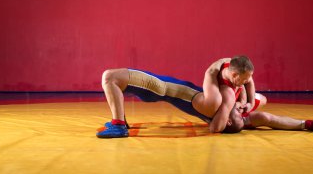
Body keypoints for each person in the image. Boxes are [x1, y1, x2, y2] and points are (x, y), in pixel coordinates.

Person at [97, 56, 255, 138]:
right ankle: (120, 121)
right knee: (114, 79)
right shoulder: (223, 98)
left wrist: (218, 65)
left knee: (110, 77)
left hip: (159, 87)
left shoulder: (216, 101)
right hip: (160, 88)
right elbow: (249, 85)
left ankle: (118, 126)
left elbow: (217, 126)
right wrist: (249, 102)